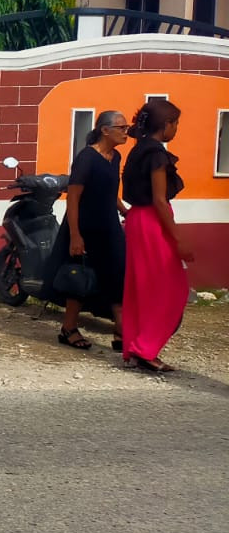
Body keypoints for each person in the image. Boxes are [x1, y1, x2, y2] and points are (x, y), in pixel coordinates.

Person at [43, 112, 129, 352]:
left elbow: (110, 192)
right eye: (122, 127)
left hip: (109, 225)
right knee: (79, 277)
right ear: (105, 130)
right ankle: (68, 328)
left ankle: (121, 331)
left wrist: (124, 210)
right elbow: (73, 198)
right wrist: (75, 235)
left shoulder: (115, 157)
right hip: (84, 226)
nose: (126, 132)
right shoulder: (86, 158)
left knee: (117, 274)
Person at [121, 99, 191, 373]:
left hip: (137, 219)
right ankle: (145, 348)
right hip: (153, 221)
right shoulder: (157, 154)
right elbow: (160, 201)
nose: (176, 129)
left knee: (142, 288)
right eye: (176, 124)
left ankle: (139, 347)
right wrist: (179, 240)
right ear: (167, 125)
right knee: (171, 289)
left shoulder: (139, 150)